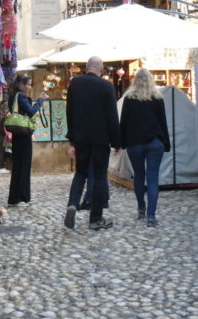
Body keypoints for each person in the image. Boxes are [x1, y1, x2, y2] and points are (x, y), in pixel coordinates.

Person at [64, 56, 120, 231]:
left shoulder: (75, 84)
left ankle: (73, 204)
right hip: (100, 139)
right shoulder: (107, 87)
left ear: (87, 67)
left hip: (81, 138)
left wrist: (72, 139)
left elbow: (69, 112)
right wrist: (117, 141)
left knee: (80, 173)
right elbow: (112, 116)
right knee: (99, 176)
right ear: (101, 69)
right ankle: (95, 218)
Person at [119, 68, 170, 228]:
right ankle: (151, 216)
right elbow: (163, 122)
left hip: (135, 144)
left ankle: (141, 207)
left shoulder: (129, 98)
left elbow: (124, 123)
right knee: (153, 178)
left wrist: (119, 143)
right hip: (154, 143)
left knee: (139, 176)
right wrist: (166, 143)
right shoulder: (157, 98)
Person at [6, 73, 48, 206]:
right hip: (23, 135)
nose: (29, 87)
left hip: (18, 135)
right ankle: (22, 196)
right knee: (23, 165)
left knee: (18, 166)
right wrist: (40, 101)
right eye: (27, 84)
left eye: (30, 84)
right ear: (20, 84)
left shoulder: (13, 96)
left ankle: (15, 197)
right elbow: (31, 111)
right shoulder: (21, 97)